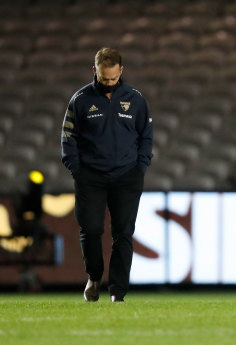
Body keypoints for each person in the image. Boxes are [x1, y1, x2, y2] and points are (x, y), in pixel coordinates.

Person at [61, 47, 153, 302]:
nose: (109, 83)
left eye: (113, 78)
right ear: (95, 71)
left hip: (127, 176)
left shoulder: (136, 100)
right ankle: (94, 276)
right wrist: (77, 169)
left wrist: (140, 166)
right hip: (91, 176)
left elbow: (146, 137)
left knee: (123, 232)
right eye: (104, 78)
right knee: (90, 229)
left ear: (121, 71)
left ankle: (118, 292)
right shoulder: (80, 100)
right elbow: (68, 137)